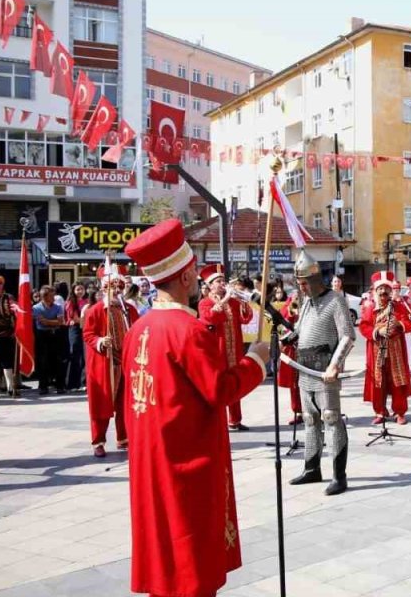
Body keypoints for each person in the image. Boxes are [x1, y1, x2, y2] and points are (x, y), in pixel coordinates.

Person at [121, 220, 269, 597]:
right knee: (191, 558)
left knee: (163, 551)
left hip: (151, 459)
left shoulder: (139, 328)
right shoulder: (188, 331)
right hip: (186, 460)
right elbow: (219, 389)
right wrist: (256, 361)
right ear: (187, 276)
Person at [289, 251, 355, 496]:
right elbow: (300, 330)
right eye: (300, 283)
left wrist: (335, 365)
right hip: (305, 366)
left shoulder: (335, 300)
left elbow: (348, 335)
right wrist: (289, 336)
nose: (302, 287)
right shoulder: (307, 302)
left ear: (316, 280)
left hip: (325, 367)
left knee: (330, 418)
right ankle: (311, 468)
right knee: (309, 419)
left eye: (305, 283)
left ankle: (339, 476)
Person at [82, 265, 138, 458]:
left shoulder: (129, 310)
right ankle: (98, 441)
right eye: (112, 287)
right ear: (104, 289)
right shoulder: (96, 310)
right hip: (104, 364)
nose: (116, 291)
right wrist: (99, 341)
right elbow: (88, 334)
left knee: (125, 403)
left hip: (125, 363)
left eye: (119, 287)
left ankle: (124, 438)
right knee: (101, 404)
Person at [198, 264, 255, 431]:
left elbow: (245, 319)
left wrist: (243, 302)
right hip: (216, 350)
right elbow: (211, 318)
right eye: (218, 281)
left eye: (223, 280)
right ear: (209, 285)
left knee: (234, 382)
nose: (222, 284)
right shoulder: (204, 302)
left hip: (234, 348)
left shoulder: (233, 302)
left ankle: (235, 420)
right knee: (217, 385)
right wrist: (224, 300)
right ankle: (217, 420)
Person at [359, 272, 411, 425]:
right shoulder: (369, 307)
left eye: (386, 289)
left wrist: (398, 324)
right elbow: (364, 327)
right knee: (378, 381)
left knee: (398, 380)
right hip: (377, 350)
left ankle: (400, 411)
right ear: (375, 291)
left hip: (396, 350)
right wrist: (378, 331)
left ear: (390, 291)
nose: (383, 293)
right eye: (380, 289)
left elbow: (410, 323)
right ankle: (380, 411)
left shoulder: (399, 306)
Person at [32, 285, 66, 395]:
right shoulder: (36, 308)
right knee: (42, 361)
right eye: (51, 296)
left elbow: (60, 321)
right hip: (42, 336)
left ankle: (60, 385)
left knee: (57, 360)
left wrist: (49, 322)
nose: (53, 298)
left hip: (55, 335)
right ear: (44, 297)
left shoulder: (58, 307)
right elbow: (42, 322)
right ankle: (43, 386)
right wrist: (53, 322)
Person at [276, 289, 303, 425]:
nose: (297, 298)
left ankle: (314, 411)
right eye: (295, 296)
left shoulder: (310, 305)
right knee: (294, 383)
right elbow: (281, 329)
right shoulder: (286, 308)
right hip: (293, 349)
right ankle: (298, 411)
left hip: (308, 349)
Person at [62, 283, 88, 392]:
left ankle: (82, 382)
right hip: (75, 329)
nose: (80, 291)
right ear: (73, 291)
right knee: (74, 355)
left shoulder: (86, 302)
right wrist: (86, 321)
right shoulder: (70, 303)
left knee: (83, 356)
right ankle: (71, 383)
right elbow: (75, 318)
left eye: (82, 289)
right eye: (78, 289)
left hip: (85, 328)